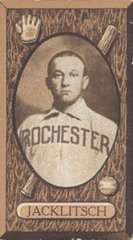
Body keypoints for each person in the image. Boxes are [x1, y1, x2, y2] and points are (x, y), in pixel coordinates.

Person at [18, 51, 118, 187]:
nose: (65, 82)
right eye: (57, 75)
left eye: (73, 75)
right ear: (48, 83)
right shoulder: (28, 125)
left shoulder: (107, 128)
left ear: (85, 82)